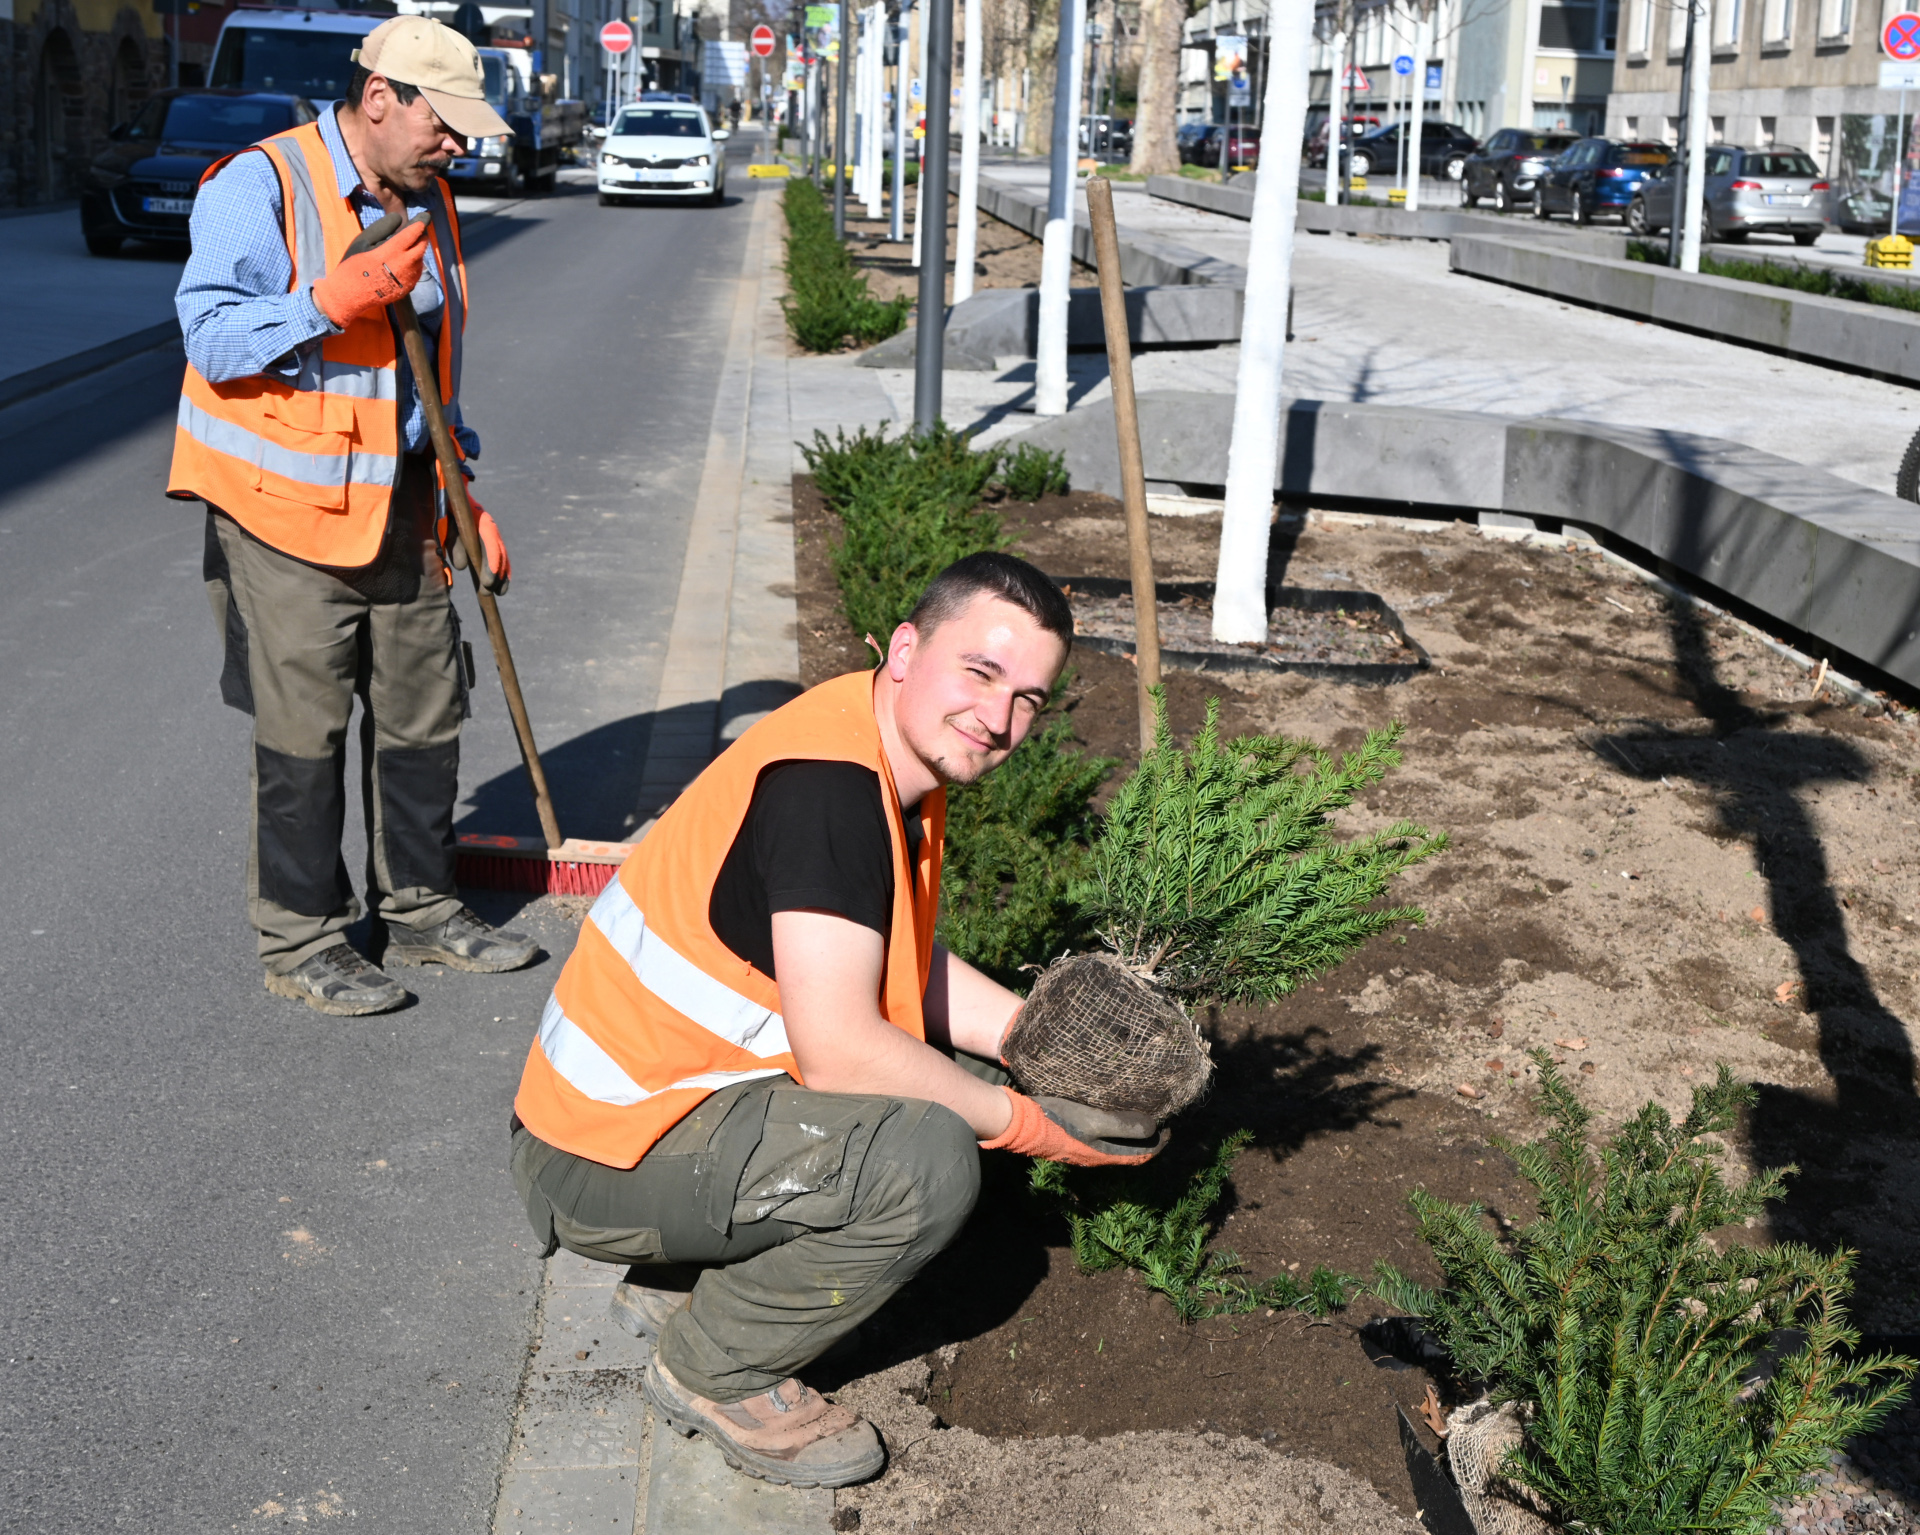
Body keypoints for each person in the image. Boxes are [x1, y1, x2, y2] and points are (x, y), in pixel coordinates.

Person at [508, 553, 1162, 1489]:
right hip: (599, 1155)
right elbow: (844, 1047)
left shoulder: (878, 746)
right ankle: (715, 1367)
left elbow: (886, 966)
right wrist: (1027, 1123)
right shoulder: (830, 793)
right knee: (926, 1160)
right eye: (981, 672)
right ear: (906, 648)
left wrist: (1033, 1039)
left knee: (946, 1092)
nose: (999, 717)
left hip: (646, 1116)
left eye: (1028, 698)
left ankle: (684, 1283)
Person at [171, 16, 541, 1016]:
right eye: (442, 124)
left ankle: (419, 911)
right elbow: (210, 336)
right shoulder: (263, 183)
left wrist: (462, 488)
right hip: (284, 513)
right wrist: (327, 301)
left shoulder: (431, 195)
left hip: (405, 500)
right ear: (379, 96)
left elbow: (425, 373)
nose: (456, 146)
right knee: (306, 730)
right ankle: (303, 941)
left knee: (425, 707)